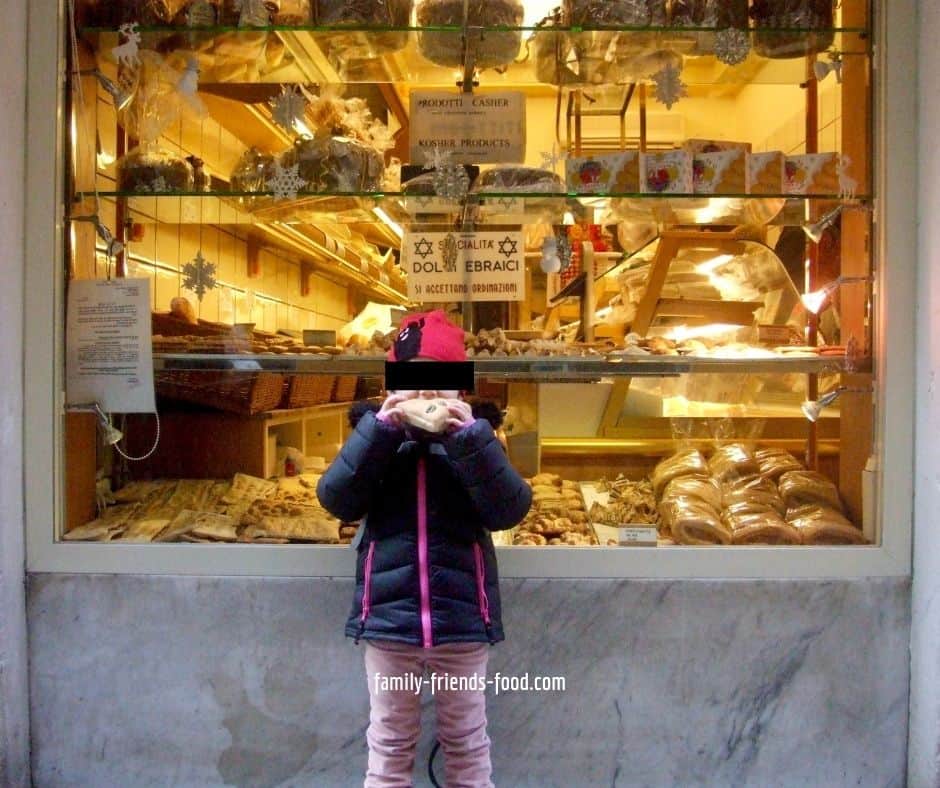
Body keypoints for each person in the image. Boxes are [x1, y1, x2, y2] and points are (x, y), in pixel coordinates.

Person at [317, 310, 532, 788]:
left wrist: (473, 440)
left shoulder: (476, 440)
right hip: (390, 626)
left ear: (461, 389)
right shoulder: (376, 437)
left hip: (461, 625)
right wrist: (379, 431)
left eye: (440, 381)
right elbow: (337, 499)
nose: (426, 393)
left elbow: (509, 509)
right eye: (413, 381)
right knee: (389, 747)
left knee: (468, 747)